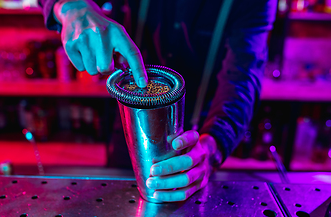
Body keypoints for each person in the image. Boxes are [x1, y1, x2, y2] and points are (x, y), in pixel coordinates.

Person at [38, 0, 277, 202]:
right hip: (129, 134)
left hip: (196, 139)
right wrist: (70, 6)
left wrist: (210, 149)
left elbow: (242, 79)